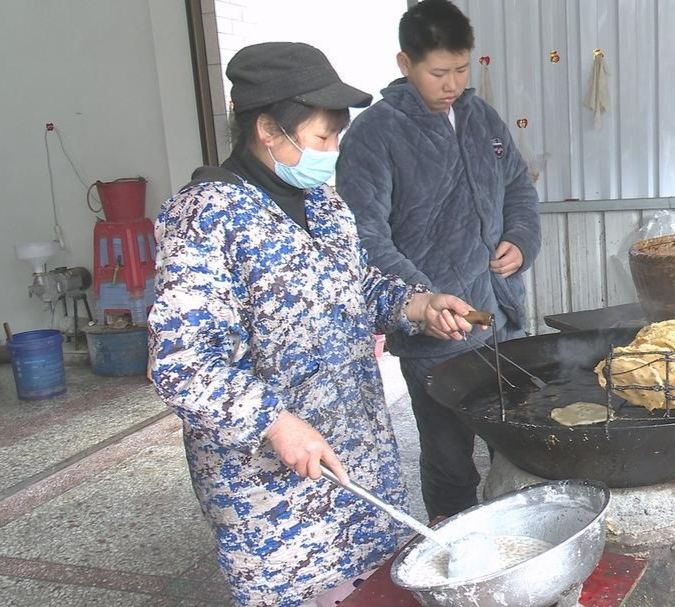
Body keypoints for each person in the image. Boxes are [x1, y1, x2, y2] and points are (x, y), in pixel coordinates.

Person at [147, 42, 478, 607]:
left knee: (377, 591)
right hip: (274, 494)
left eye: (336, 138)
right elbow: (182, 363)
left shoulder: (322, 202)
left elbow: (353, 287)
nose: (332, 151)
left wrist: (416, 305)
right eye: (322, 138)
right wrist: (274, 422)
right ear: (268, 131)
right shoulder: (205, 217)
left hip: (360, 461)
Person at [336, 0, 541, 521]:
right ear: (405, 64)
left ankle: (527, 538)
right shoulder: (375, 133)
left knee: (520, 441)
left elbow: (519, 190)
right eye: (438, 72)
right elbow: (364, 238)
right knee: (451, 458)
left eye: (461, 69)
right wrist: (420, 297)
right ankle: (453, 546)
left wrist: (520, 237)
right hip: (435, 333)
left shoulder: (482, 119)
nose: (452, 83)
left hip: (501, 318)